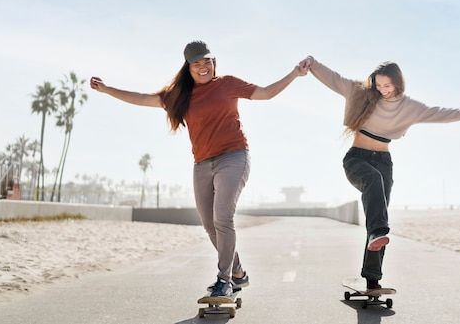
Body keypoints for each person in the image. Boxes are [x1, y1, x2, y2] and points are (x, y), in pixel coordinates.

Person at [90, 41, 307, 297]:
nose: (203, 67)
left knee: (223, 217)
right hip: (202, 164)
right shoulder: (179, 94)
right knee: (209, 225)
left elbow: (267, 92)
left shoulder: (227, 84)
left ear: (214, 62)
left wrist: (294, 73)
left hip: (234, 157)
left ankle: (224, 280)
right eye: (197, 64)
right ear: (188, 67)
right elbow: (141, 98)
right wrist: (107, 90)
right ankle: (238, 273)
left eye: (207, 61)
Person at [299, 56, 460, 290]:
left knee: (378, 217)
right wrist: (312, 63)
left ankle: (372, 279)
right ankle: (378, 233)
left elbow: (438, 113)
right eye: (378, 85)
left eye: (387, 86)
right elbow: (334, 79)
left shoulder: (410, 107)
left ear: (398, 84)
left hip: (384, 162)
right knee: (377, 211)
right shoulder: (360, 93)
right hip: (357, 159)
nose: (382, 90)